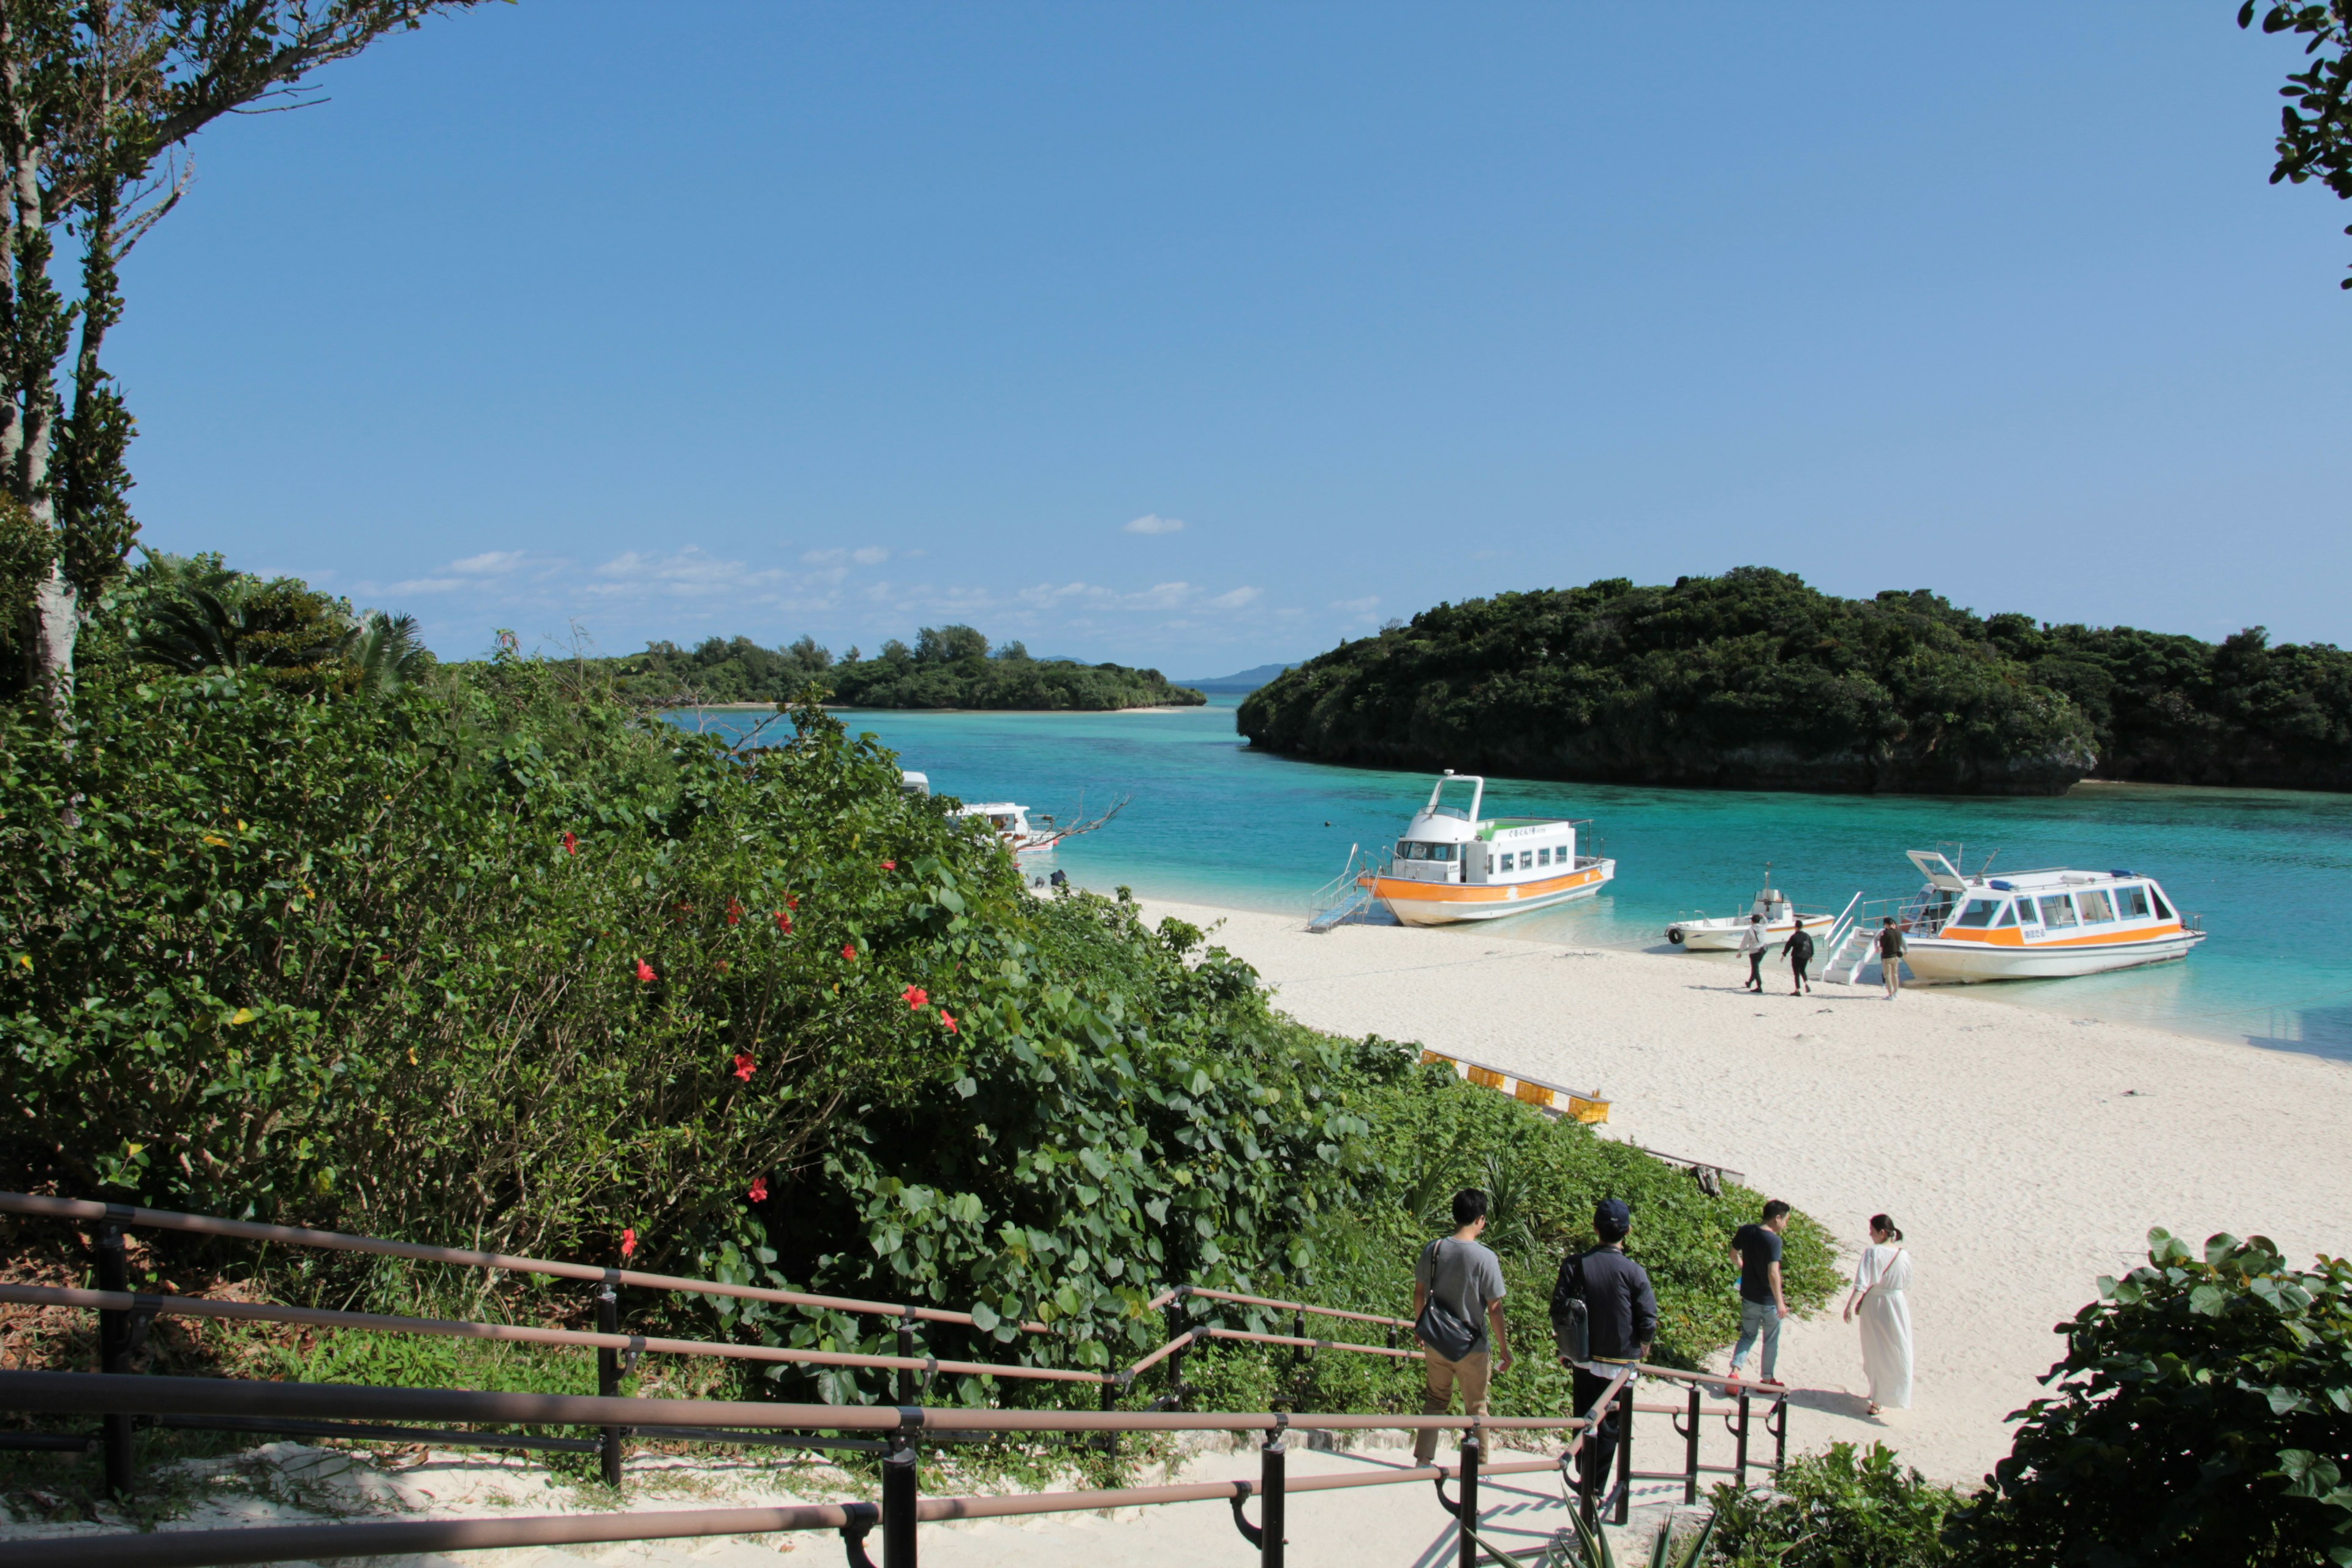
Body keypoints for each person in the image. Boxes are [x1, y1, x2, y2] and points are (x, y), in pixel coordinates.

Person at [1550, 1198, 1657, 1509]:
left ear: (1595, 1228)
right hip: (1620, 1365)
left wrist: (1566, 1347)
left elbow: (1558, 1310)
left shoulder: (1574, 1264)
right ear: (1628, 1231)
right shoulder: (1634, 1271)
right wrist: (1644, 1346)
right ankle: (1595, 1489)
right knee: (1610, 1427)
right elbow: (1647, 1319)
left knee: (1584, 1419)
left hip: (1583, 1358)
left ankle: (1585, 1478)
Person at [1409, 1188, 1512, 1466]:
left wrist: (1421, 1327)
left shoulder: (1435, 1248)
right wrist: (1504, 1349)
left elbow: (1419, 1293)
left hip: (1436, 1340)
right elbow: (1494, 1308)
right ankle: (1478, 1466)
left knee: (1435, 1400)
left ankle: (1423, 1459)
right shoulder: (1485, 1258)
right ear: (1480, 1220)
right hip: (1472, 1346)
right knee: (1477, 1407)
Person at [1842, 1214, 1912, 1414]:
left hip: (1875, 1304)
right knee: (1897, 1347)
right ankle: (1888, 1395)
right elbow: (1907, 1282)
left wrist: (1850, 1305)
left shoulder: (1872, 1252)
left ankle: (1877, 1398)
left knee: (1875, 1350)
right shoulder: (1904, 1254)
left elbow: (1862, 1283)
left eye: (1872, 1231)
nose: (1870, 1234)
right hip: (1897, 1304)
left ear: (1882, 1233)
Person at [1727, 1200, 1792, 1387]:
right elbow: (1773, 1273)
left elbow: (1733, 1254)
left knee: (1747, 1335)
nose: (1786, 1224)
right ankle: (1767, 1379)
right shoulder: (1774, 1240)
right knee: (1770, 1339)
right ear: (1777, 1218)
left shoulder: (1746, 1231)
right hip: (1768, 1301)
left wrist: (1743, 1267)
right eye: (1786, 1220)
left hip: (1748, 1296)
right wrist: (1780, 1302)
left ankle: (1734, 1372)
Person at [1782, 919, 1814, 995]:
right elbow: (1811, 945)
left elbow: (1788, 946)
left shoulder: (1794, 937)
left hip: (1797, 957)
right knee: (1802, 970)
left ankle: (1797, 990)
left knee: (1797, 973)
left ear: (1795, 927)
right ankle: (1806, 984)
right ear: (1802, 927)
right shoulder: (1807, 936)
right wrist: (1811, 955)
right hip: (1805, 956)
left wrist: (1784, 954)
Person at [1877, 918, 1907, 1000]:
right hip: (1896, 956)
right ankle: (1896, 992)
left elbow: (1882, 944)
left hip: (1887, 956)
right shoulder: (1899, 932)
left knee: (1887, 976)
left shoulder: (1886, 933)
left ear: (1886, 924)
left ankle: (1890, 995)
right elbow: (1900, 943)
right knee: (1895, 974)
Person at [1738, 914, 1766, 993]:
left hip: (1754, 952)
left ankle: (1759, 987)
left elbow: (1744, 942)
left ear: (1752, 921)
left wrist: (1740, 952)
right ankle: (1750, 982)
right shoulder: (1763, 928)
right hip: (1762, 950)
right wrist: (1763, 917)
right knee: (1755, 968)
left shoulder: (1750, 930)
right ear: (1759, 921)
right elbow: (1766, 923)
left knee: (1755, 969)